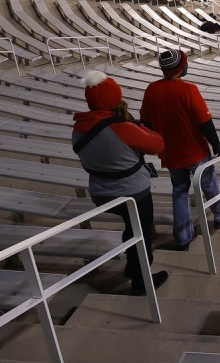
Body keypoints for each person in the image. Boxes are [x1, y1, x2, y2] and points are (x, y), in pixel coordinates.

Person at [72, 71, 168, 296]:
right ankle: (140, 280)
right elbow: (158, 145)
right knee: (142, 233)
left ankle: (132, 266)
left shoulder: (79, 129)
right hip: (133, 194)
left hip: (101, 193)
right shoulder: (123, 128)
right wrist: (139, 127)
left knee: (131, 227)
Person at [140, 50, 220, 252]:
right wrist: (216, 143)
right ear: (180, 68)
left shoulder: (151, 90)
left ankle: (183, 236)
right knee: (208, 183)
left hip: (170, 153)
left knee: (179, 191)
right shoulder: (189, 89)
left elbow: (146, 123)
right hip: (194, 151)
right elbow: (205, 122)